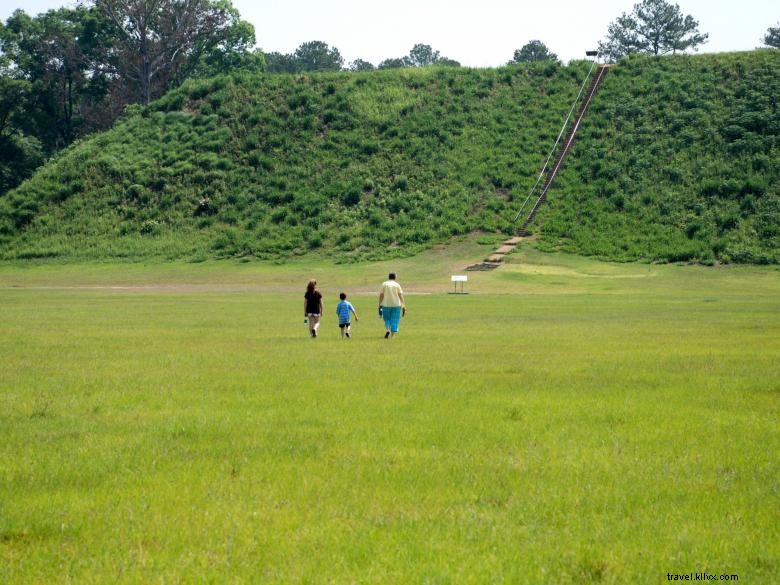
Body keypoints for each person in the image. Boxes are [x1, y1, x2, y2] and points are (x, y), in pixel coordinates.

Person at [378, 272, 406, 339]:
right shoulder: (397, 285)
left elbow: (381, 295)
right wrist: (403, 304)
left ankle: (388, 330)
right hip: (396, 304)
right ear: (395, 277)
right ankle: (392, 336)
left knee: (387, 319)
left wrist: (380, 304)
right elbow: (400, 294)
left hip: (386, 304)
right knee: (395, 319)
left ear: (389, 277)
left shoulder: (384, 284)